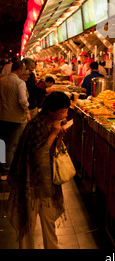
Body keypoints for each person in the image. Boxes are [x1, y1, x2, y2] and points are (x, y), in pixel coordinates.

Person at [6, 91, 71, 249]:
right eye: (63, 111)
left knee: (49, 224)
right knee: (28, 224)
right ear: (51, 111)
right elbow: (37, 156)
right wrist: (54, 133)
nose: (66, 114)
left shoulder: (53, 123)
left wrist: (59, 136)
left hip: (48, 183)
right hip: (30, 183)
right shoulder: (35, 125)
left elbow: (52, 151)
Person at [0, 60, 30, 180]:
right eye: (23, 70)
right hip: (16, 118)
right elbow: (22, 101)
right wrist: (26, 108)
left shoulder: (1, 80)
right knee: (11, 145)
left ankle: (1, 167)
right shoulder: (20, 82)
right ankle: (6, 171)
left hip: (2, 116)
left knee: (2, 143)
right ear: (19, 70)